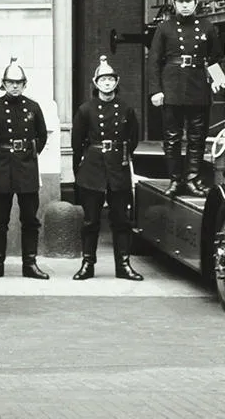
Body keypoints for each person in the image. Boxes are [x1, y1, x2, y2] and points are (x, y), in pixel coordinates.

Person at [148, 0, 220, 198]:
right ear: (175, 3)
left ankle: (192, 179)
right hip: (173, 86)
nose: (185, 5)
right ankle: (175, 180)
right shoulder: (165, 28)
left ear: (195, 2)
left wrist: (217, 79)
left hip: (197, 85)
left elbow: (215, 58)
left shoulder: (208, 27)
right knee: (172, 137)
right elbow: (154, 60)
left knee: (197, 136)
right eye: (181, 2)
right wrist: (156, 90)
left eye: (189, 1)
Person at [71, 55, 143, 281]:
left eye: (111, 79)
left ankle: (123, 265)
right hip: (92, 169)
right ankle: (87, 265)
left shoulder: (126, 109)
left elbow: (132, 139)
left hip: (117, 168)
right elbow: (77, 143)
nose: (107, 83)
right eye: (103, 80)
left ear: (116, 82)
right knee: (91, 220)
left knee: (121, 220)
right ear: (95, 83)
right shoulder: (85, 110)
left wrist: (120, 157)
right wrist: (80, 172)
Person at [0, 61, 49, 280]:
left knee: (30, 219)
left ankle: (30, 264)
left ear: (25, 84)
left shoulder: (33, 107)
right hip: (3, 168)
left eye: (18, 83)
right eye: (10, 82)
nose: (15, 86)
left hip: (27, 167)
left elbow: (42, 137)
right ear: (3, 84)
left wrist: (28, 153)